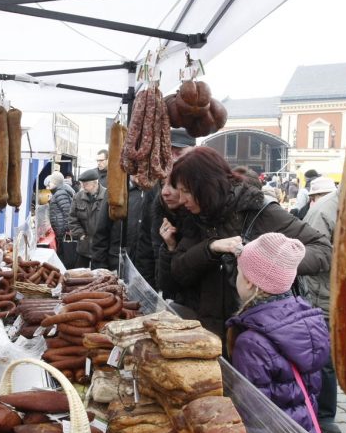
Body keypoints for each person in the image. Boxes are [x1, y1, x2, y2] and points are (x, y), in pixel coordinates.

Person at [158, 147, 331, 339]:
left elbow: (323, 249)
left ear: (206, 186)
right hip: (207, 335)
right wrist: (210, 248)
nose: (181, 199)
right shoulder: (195, 215)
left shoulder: (260, 211)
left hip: (255, 337)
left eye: (186, 191)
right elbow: (177, 273)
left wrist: (267, 259)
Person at [226, 233, 330, 433]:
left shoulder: (252, 342)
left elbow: (251, 411)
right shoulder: (307, 320)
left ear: (248, 282)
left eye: (239, 272)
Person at [298, 176, 341, 433]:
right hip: (322, 294)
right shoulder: (324, 211)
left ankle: (323, 412)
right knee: (323, 356)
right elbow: (313, 254)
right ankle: (323, 414)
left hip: (342, 295)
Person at [137, 128, 196, 289]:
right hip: (162, 280)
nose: (173, 160)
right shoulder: (153, 190)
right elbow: (146, 245)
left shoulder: (202, 190)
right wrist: (149, 288)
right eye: (168, 154)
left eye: (179, 152)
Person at [68, 168, 105, 268]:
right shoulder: (78, 197)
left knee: (99, 277)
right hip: (83, 246)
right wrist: (80, 234)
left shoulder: (107, 196)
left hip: (101, 248)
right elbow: (72, 218)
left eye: (86, 184)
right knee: (79, 276)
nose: (83, 186)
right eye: (82, 183)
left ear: (95, 183)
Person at [45, 171, 75, 242]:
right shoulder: (58, 193)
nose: (49, 184)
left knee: (63, 250)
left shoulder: (60, 193)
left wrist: (67, 230)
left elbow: (67, 212)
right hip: (60, 228)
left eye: (51, 182)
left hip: (62, 230)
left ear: (56, 183)